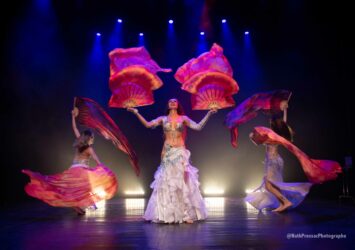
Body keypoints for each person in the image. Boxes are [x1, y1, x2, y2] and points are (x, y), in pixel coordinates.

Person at [127, 98, 217, 223]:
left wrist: (209, 113)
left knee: (182, 183)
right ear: (168, 105)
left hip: (180, 151)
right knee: (167, 182)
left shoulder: (183, 118)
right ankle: (166, 214)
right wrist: (136, 112)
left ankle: (185, 214)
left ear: (178, 104)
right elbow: (148, 124)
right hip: (167, 153)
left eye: (175, 101)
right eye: (170, 101)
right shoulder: (163, 119)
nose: (173, 102)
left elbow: (198, 126)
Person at [22, 107, 118, 215]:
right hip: (81, 171)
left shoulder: (80, 143)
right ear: (89, 138)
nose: (93, 140)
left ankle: (79, 208)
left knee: (69, 189)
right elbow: (97, 160)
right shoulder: (89, 149)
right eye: (92, 138)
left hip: (72, 169)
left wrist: (73, 116)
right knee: (86, 188)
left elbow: (75, 128)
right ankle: (86, 205)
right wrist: (103, 169)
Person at [245, 101, 312, 212]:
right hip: (273, 161)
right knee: (273, 185)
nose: (270, 123)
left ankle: (285, 202)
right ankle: (283, 203)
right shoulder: (271, 136)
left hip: (273, 161)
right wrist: (252, 137)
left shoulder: (274, 136)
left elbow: (283, 125)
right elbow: (258, 141)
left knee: (268, 185)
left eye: (271, 122)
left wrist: (285, 110)